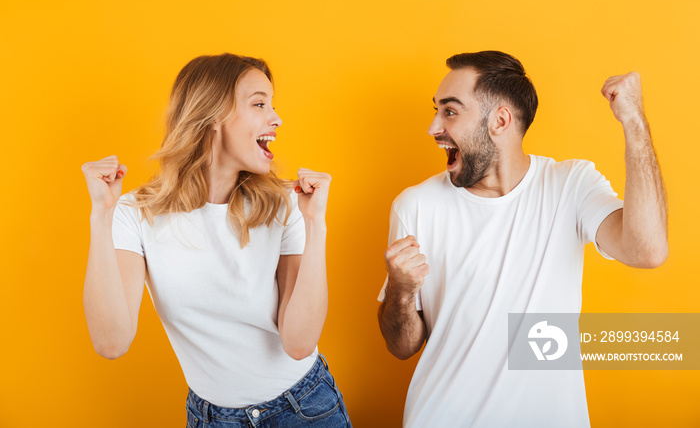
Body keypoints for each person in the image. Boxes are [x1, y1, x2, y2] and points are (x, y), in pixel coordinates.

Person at [377, 51, 667, 427]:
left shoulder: (570, 185)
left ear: (500, 120)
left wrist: (634, 120)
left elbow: (647, 251)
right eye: (435, 111)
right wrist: (400, 290)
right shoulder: (416, 205)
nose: (433, 127)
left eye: (449, 111)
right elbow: (401, 347)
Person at [82, 53, 352, 427]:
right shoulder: (134, 213)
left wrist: (316, 224)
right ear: (211, 116)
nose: (276, 119)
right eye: (259, 104)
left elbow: (299, 342)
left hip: (303, 408)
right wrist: (101, 214)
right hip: (212, 418)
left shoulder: (286, 205)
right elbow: (111, 343)